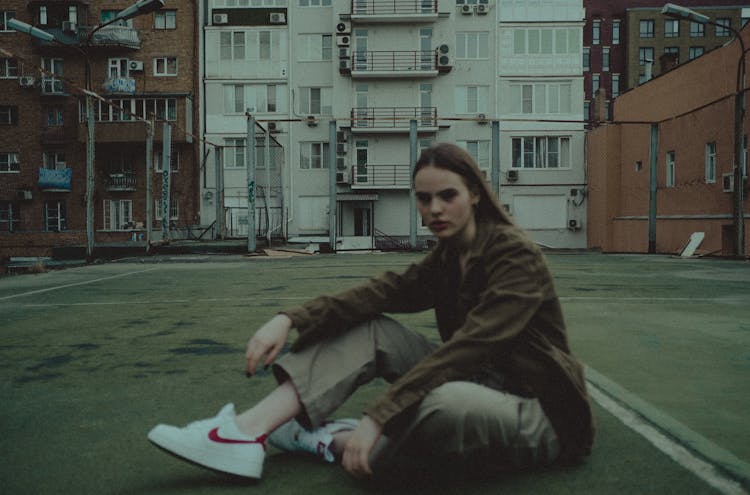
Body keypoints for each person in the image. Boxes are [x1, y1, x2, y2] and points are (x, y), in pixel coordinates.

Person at [148, 143, 594, 482]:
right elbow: (382, 293)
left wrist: (379, 414)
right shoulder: (448, 256)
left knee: (441, 407)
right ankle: (245, 432)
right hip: (481, 385)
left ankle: (323, 439)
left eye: (447, 195)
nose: (434, 209)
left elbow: (473, 347)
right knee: (370, 329)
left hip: (542, 414)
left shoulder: (514, 255)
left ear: (475, 193)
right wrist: (291, 317)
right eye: (423, 198)